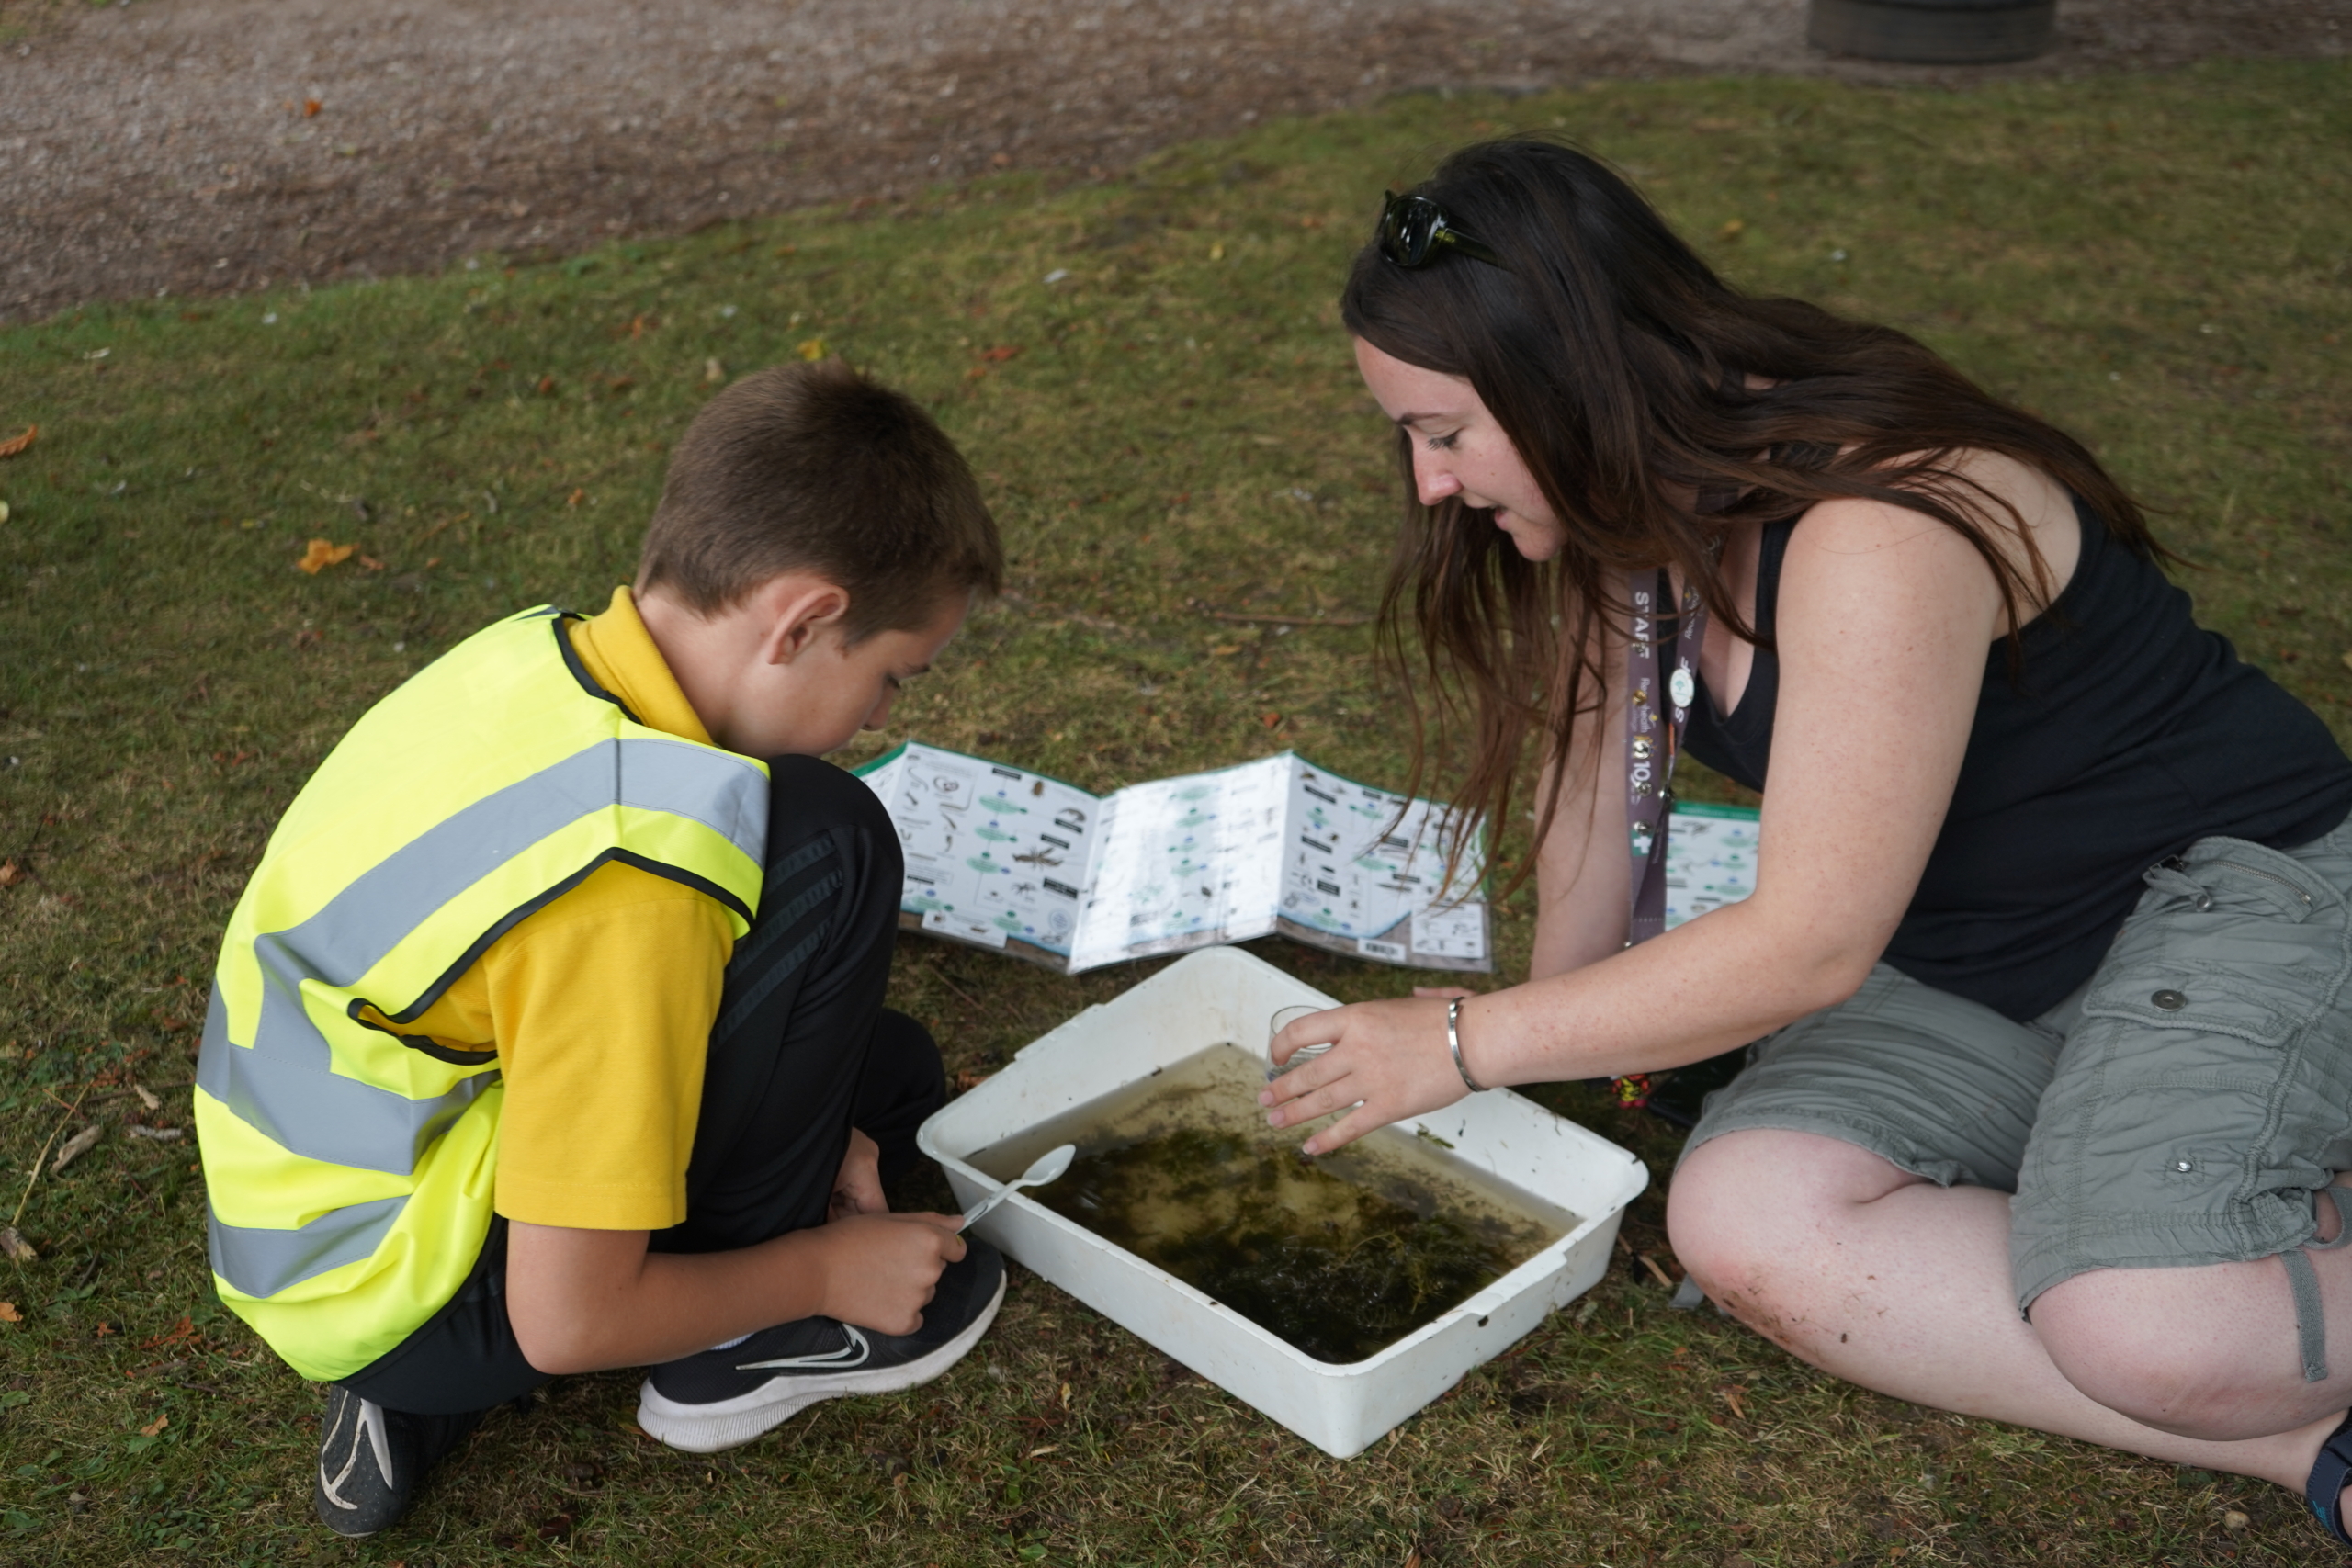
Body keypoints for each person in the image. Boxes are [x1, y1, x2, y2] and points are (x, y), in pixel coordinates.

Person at [1261, 137, 2352, 1547]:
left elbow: (1813, 943)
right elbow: (1597, 795)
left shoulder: (1873, 520)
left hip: (2234, 892)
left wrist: (1465, 1039)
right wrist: (1534, 1056)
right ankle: (2304, 1433)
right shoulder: (1632, 507)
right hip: (1975, 957)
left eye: (1444, 431)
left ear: (1567, 384)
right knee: (1743, 1213)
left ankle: (2222, 1269)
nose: (1426, 482)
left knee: (2148, 1326)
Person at [193, 360, 1008, 1537]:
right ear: (802, 621)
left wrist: (811, 1116)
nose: (884, 714)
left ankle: (424, 1370)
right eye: (889, 678)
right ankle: (738, 1345)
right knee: (835, 842)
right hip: (416, 1293)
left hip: (311, 1214)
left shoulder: (532, 653)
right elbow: (567, 1322)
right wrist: (827, 1272)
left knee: (888, 1073)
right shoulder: (636, 888)